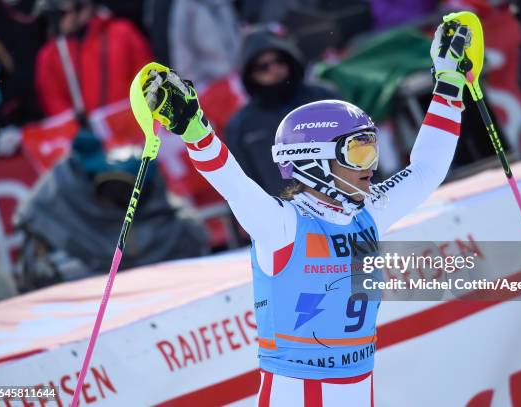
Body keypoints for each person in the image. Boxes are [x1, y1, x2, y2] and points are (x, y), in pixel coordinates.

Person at [140, 21, 470, 405]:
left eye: (372, 148)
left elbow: (427, 170)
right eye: (357, 151)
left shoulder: (367, 212)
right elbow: (233, 183)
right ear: (316, 162)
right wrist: (196, 130)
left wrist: (448, 83)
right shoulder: (282, 225)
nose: (371, 164)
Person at [14, 128, 209, 292]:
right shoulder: (61, 193)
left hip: (162, 277)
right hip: (88, 292)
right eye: (110, 187)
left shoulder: (176, 227)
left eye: (127, 188)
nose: (119, 195)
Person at [227, 27, 337, 196]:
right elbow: (244, 187)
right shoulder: (241, 125)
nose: (273, 69)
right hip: (289, 217)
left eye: (278, 61)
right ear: (250, 74)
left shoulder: (325, 99)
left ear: (289, 59)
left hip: (344, 202)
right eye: (263, 67)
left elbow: (362, 149)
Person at [35, 0, 152, 117]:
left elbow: (147, 80)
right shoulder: (50, 56)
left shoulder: (122, 34)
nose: (57, 20)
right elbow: (55, 103)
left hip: (133, 126)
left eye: (62, 12)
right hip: (83, 133)